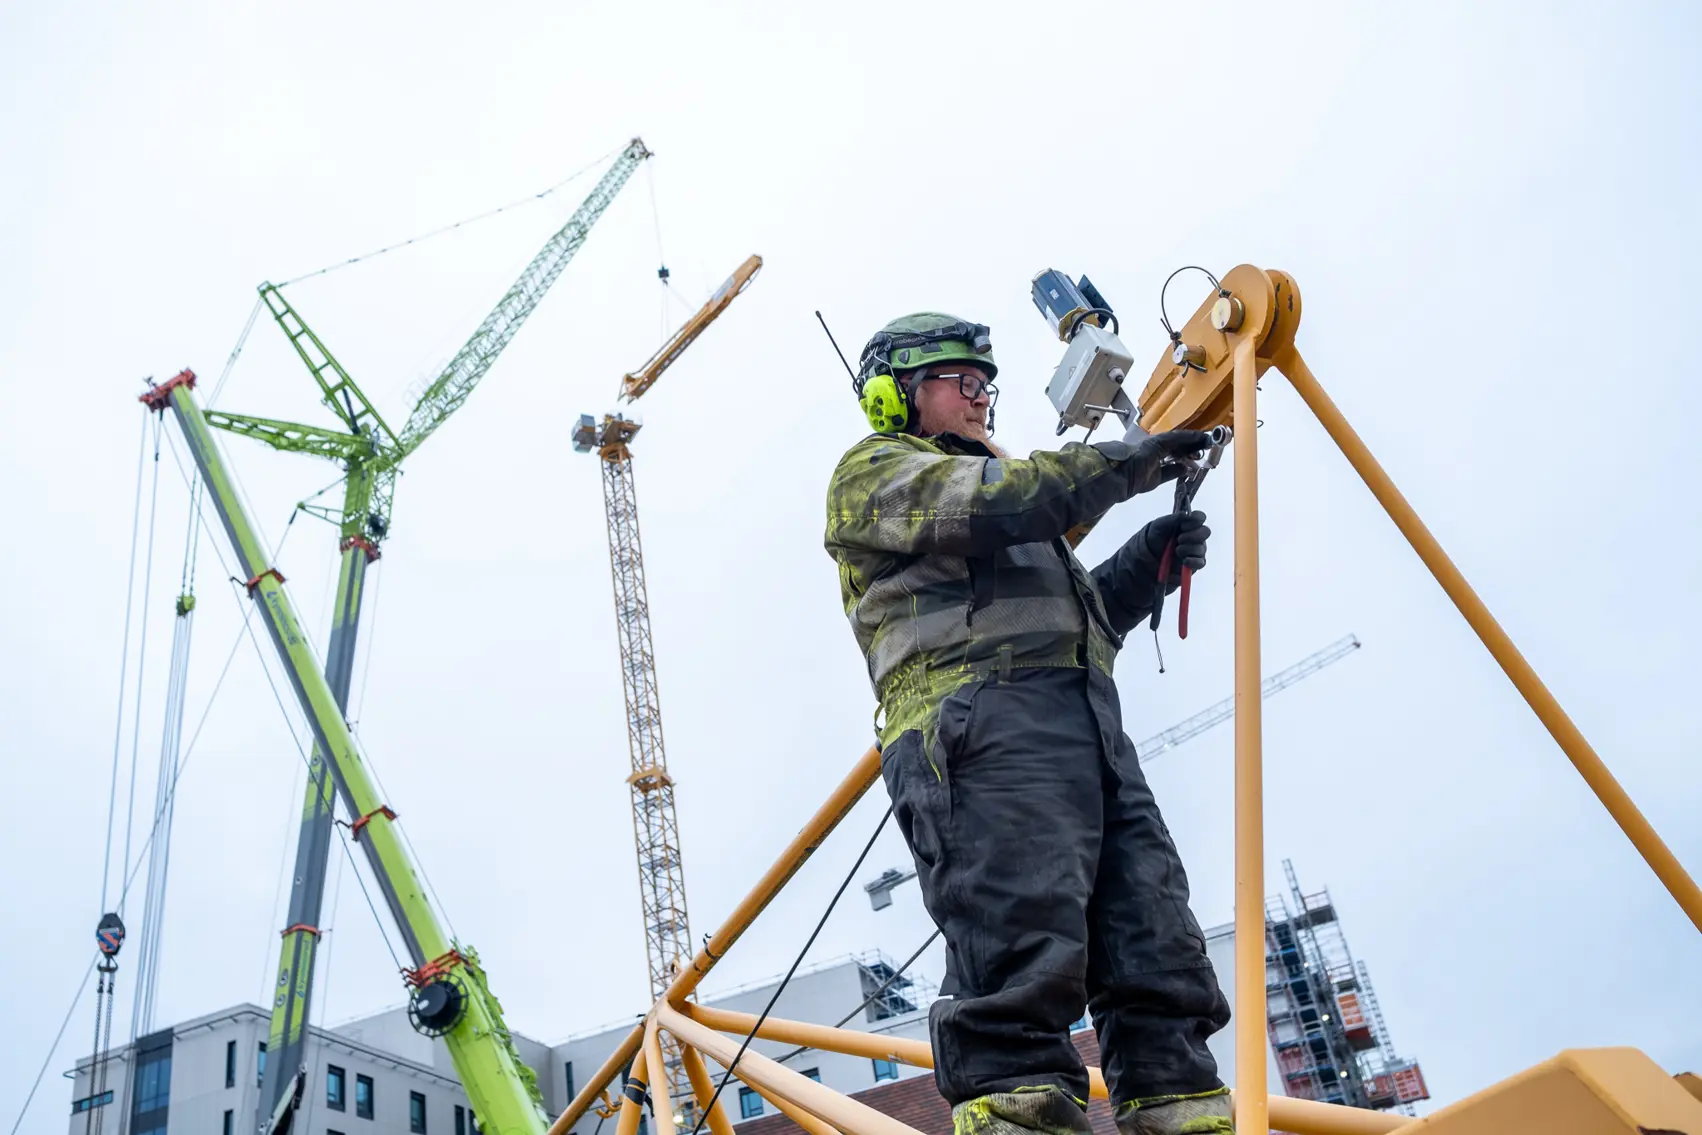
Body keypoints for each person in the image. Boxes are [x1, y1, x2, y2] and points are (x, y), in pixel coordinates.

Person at [823, 313, 1235, 1135]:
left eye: (988, 384)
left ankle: (1181, 1109)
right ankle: (1018, 1117)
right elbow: (1006, 502)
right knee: (1019, 946)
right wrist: (1126, 463)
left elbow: (1072, 630)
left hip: (1076, 721)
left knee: (1150, 936)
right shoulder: (877, 474)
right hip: (979, 731)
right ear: (893, 394)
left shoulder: (1009, 508)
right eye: (963, 381)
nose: (983, 399)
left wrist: (1141, 567)